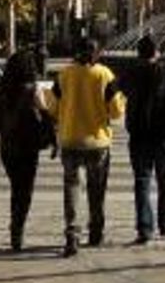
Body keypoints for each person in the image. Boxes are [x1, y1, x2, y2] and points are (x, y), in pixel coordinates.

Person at [50, 38, 125, 257]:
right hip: (98, 142)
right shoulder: (105, 75)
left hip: (70, 139)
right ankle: (95, 232)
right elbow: (116, 112)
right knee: (96, 188)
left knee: (72, 187)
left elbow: (53, 108)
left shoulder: (64, 75)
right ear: (95, 54)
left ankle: (72, 234)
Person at [120, 34, 165, 244]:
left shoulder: (131, 73)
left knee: (142, 180)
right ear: (157, 52)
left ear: (138, 54)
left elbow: (114, 90)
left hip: (139, 135)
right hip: (163, 136)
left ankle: (144, 228)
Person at [0, 49, 52, 251]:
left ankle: (15, 227)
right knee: (25, 191)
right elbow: (46, 116)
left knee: (16, 188)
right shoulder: (33, 90)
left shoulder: (4, 91)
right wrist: (52, 139)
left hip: (8, 148)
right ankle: (17, 228)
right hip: (28, 146)